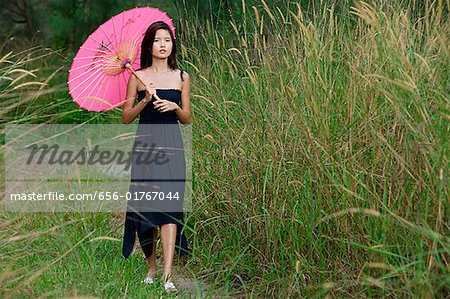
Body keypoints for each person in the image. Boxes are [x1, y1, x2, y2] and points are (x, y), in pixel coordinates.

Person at [121, 20, 191, 294]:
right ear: (149, 45)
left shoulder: (182, 77)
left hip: (172, 146)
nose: (163, 45)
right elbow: (126, 118)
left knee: (170, 209)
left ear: (172, 44)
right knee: (145, 208)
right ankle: (150, 267)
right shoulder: (136, 76)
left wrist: (174, 105)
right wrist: (143, 100)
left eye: (168, 40)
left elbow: (186, 119)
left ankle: (167, 275)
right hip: (146, 147)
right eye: (157, 40)